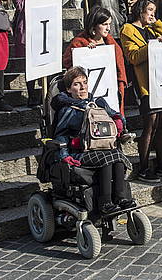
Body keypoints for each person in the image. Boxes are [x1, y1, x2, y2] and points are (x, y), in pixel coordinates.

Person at [51, 66, 135, 214]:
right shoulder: (67, 110)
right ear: (69, 89)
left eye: (85, 82)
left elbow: (116, 116)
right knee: (109, 158)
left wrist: (118, 120)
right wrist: (65, 156)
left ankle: (121, 198)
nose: (82, 87)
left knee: (118, 158)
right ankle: (105, 203)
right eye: (77, 84)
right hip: (79, 152)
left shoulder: (98, 103)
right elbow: (61, 135)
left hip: (103, 147)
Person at [120, 0, 162, 182]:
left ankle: (161, 163)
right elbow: (133, 56)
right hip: (143, 82)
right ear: (140, 10)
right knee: (150, 123)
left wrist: (157, 24)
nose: (152, 14)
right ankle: (143, 167)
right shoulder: (128, 29)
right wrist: (153, 45)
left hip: (160, 81)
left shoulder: (152, 29)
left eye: (154, 11)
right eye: (149, 10)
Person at [63, 7, 128, 113]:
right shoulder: (79, 42)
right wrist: (86, 52)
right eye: (104, 24)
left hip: (110, 93)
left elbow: (119, 69)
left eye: (109, 24)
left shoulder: (112, 44)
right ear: (94, 26)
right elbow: (68, 63)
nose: (108, 28)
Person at [11, 0, 53, 107]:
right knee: (31, 63)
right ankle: (31, 95)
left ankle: (46, 94)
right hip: (29, 27)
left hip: (45, 26)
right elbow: (20, 5)